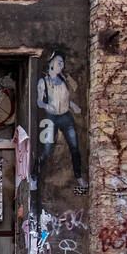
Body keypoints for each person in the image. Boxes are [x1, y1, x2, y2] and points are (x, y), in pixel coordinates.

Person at [34, 53, 87, 194]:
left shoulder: (63, 81)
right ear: (50, 63)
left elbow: (69, 94)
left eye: (62, 63)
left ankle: (79, 176)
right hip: (51, 117)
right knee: (46, 149)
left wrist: (73, 105)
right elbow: (39, 101)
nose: (61, 65)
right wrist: (46, 105)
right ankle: (34, 176)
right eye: (59, 62)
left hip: (66, 117)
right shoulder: (43, 82)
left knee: (74, 147)